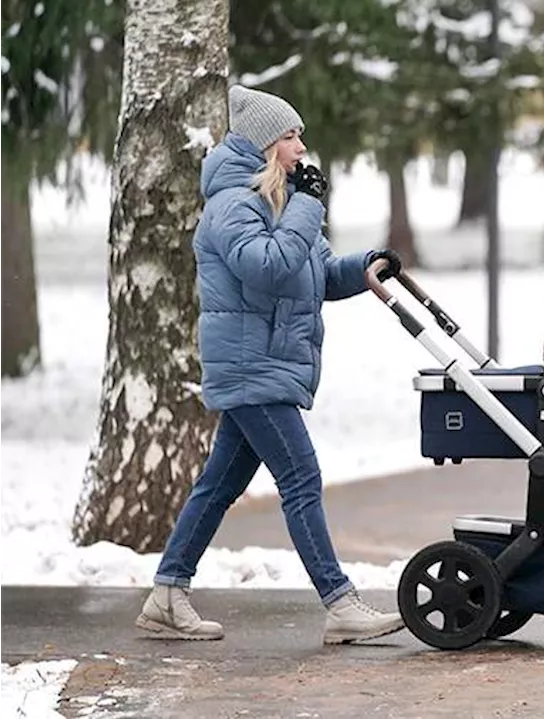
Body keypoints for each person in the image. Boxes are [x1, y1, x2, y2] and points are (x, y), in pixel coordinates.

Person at [135, 85, 406, 643]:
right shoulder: (234, 203)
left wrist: (369, 265)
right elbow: (270, 268)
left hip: (264, 365)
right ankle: (339, 604)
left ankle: (166, 593)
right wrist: (308, 204)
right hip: (250, 366)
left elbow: (320, 273)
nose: (302, 148)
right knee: (301, 477)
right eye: (290, 137)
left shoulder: (279, 198)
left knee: (217, 485)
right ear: (263, 144)